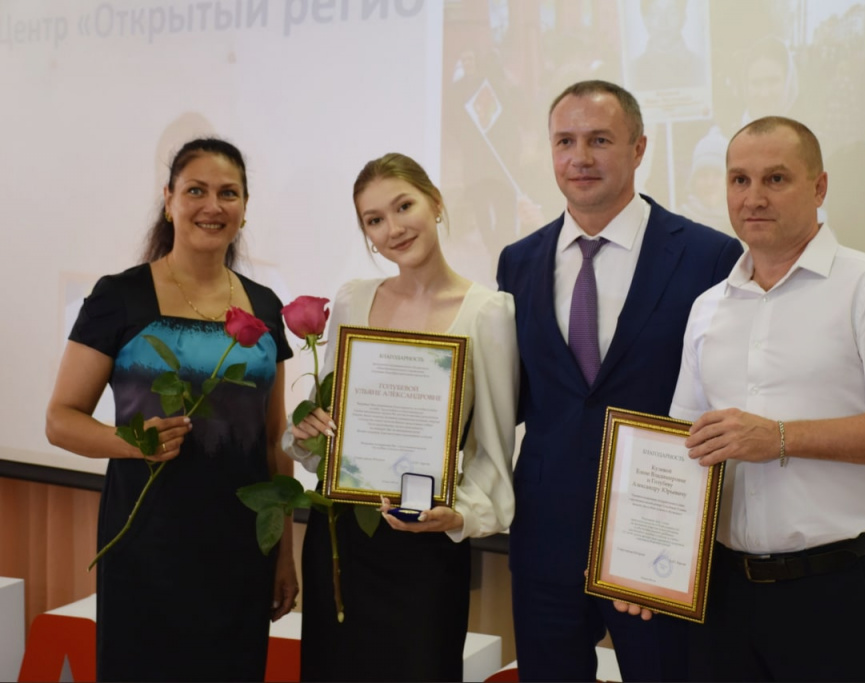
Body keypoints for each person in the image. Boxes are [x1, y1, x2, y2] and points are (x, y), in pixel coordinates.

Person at [664, 117, 865, 681]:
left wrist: (781, 438)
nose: (754, 197)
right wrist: (646, 564)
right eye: (739, 180)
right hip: (722, 595)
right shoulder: (707, 307)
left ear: (819, 188)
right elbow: (684, 448)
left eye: (776, 178)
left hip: (834, 591)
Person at [496, 80, 744, 681]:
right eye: (566, 141)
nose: (580, 157)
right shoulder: (518, 260)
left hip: (659, 538)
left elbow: (742, 383)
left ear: (638, 149)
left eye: (600, 139)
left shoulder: (709, 255)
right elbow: (512, 395)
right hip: (546, 535)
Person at [45, 138, 298, 681]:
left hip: (239, 548)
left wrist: (283, 553)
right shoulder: (119, 296)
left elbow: (274, 435)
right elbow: (60, 419)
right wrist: (131, 442)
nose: (213, 205)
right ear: (169, 200)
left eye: (228, 193)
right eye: (196, 191)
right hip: (148, 546)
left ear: (245, 206)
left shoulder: (264, 306)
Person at [285, 153, 518, 682]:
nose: (393, 228)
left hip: (423, 540)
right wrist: (308, 432)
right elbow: (333, 426)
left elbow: (493, 450)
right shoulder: (351, 300)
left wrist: (460, 515)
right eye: (374, 220)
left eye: (403, 206)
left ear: (434, 202)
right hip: (341, 537)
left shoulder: (487, 312)